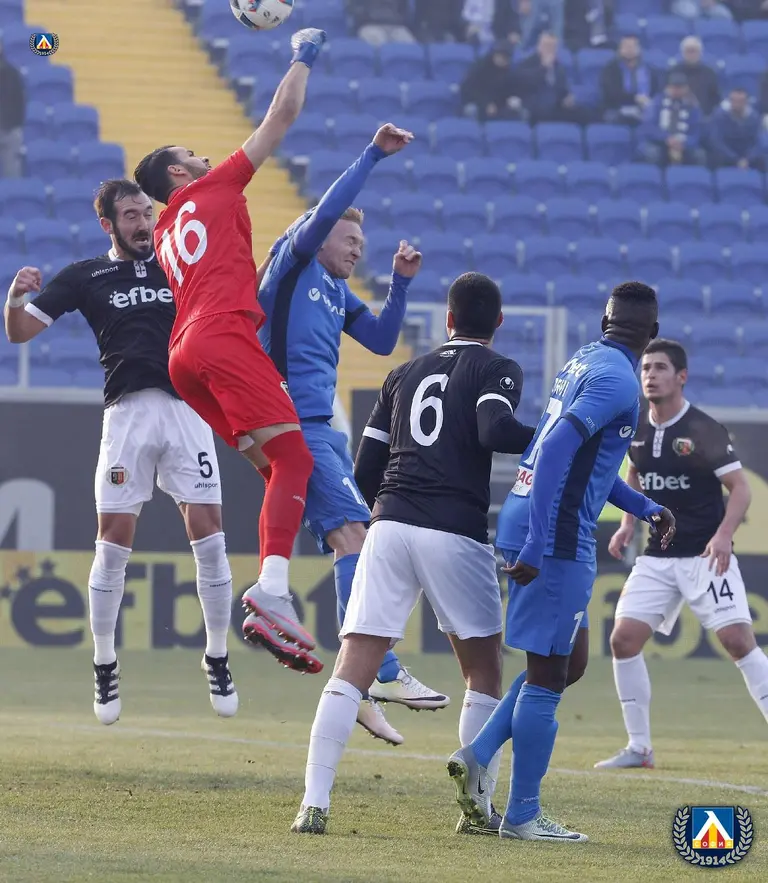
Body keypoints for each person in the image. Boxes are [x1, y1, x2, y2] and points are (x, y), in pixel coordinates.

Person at [291, 272, 537, 835]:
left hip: (390, 523)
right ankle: (477, 810)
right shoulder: (497, 368)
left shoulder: (402, 374)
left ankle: (314, 803)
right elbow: (494, 430)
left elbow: (365, 470)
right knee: (483, 670)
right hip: (454, 530)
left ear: (447, 320)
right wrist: (552, 434)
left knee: (353, 665)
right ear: (498, 322)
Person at [448, 282, 676, 843]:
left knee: (568, 664)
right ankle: (523, 814)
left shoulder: (585, 361)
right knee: (549, 675)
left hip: (532, 519)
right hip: (555, 536)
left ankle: (477, 754)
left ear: (604, 322)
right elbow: (552, 450)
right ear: (652, 333)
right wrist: (538, 542)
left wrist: (644, 506)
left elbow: (582, 463)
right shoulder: (619, 380)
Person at [3, 180, 238, 725]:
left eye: (148, 213)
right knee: (112, 543)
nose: (143, 224)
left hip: (187, 411)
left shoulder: (181, 265)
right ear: (108, 224)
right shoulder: (85, 276)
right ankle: (105, 661)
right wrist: (13, 298)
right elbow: (19, 333)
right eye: (130, 215)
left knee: (210, 534)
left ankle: (218, 656)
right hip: (127, 416)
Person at [134, 30, 326, 674]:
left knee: (278, 470)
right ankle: (271, 591)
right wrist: (302, 55)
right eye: (192, 154)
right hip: (221, 336)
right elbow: (281, 116)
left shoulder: (166, 228)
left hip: (184, 355)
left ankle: (275, 598)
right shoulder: (212, 189)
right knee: (295, 458)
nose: (205, 156)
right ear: (179, 174)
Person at [258, 126, 448, 746]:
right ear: (321, 233)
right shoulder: (293, 264)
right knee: (357, 539)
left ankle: (361, 683)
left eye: (362, 244)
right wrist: (372, 156)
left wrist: (401, 283)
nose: (356, 250)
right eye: (349, 239)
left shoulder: (337, 291)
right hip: (293, 422)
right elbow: (330, 209)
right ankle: (378, 673)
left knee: (354, 546)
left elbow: (383, 341)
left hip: (322, 427)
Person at [595, 340, 768, 770]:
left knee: (738, 641)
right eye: (645, 368)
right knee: (623, 639)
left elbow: (741, 489)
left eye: (660, 368)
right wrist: (628, 524)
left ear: (681, 377)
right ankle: (640, 749)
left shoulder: (703, 429)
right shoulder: (635, 427)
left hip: (705, 555)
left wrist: (724, 536)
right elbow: (635, 472)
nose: (650, 375)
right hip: (657, 557)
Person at [636, 71, 705, 166]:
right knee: (652, 153)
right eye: (674, 87)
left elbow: (696, 132)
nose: (676, 90)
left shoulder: (693, 106)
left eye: (680, 87)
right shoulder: (656, 103)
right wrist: (666, 138)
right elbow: (649, 127)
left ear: (686, 88)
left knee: (699, 155)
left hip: (684, 143)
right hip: (659, 141)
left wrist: (683, 143)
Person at [515, 32, 579, 124]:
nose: (550, 50)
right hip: (535, 106)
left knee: (582, 113)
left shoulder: (558, 66)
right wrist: (544, 67)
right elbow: (526, 83)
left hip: (556, 106)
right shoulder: (527, 63)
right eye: (547, 46)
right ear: (539, 46)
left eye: (553, 47)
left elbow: (562, 89)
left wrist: (567, 97)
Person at [600, 36, 659, 126]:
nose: (629, 50)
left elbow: (655, 91)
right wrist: (635, 98)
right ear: (620, 50)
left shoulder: (649, 70)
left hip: (644, 109)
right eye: (626, 47)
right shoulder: (610, 69)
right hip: (618, 108)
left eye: (632, 47)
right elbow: (610, 93)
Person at [460, 42, 524, 122]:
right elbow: (468, 89)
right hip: (477, 102)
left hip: (498, 106)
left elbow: (509, 91)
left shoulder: (508, 72)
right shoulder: (480, 67)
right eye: (499, 56)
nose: (501, 60)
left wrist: (510, 100)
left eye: (504, 58)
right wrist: (486, 104)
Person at [708, 88, 765, 171]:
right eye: (734, 101)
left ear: (746, 102)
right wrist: (735, 159)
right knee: (715, 156)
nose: (737, 104)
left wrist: (748, 159)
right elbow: (716, 141)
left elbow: (759, 142)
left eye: (740, 101)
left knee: (762, 158)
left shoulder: (754, 118)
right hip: (727, 155)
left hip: (748, 157)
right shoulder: (719, 116)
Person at [670, 37, 720, 117]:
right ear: (682, 53)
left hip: (704, 117)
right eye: (688, 51)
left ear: (700, 53)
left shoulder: (709, 73)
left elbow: (716, 99)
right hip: (678, 116)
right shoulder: (674, 72)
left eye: (693, 51)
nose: (691, 55)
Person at [0, 46, 25, 178]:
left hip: (9, 130)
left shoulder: (12, 74)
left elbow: (20, 101)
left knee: (12, 174)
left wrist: (14, 125)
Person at [346, 0, 416, 46]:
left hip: (396, 26)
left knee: (409, 45)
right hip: (370, 26)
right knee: (377, 42)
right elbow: (354, 9)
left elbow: (404, 11)